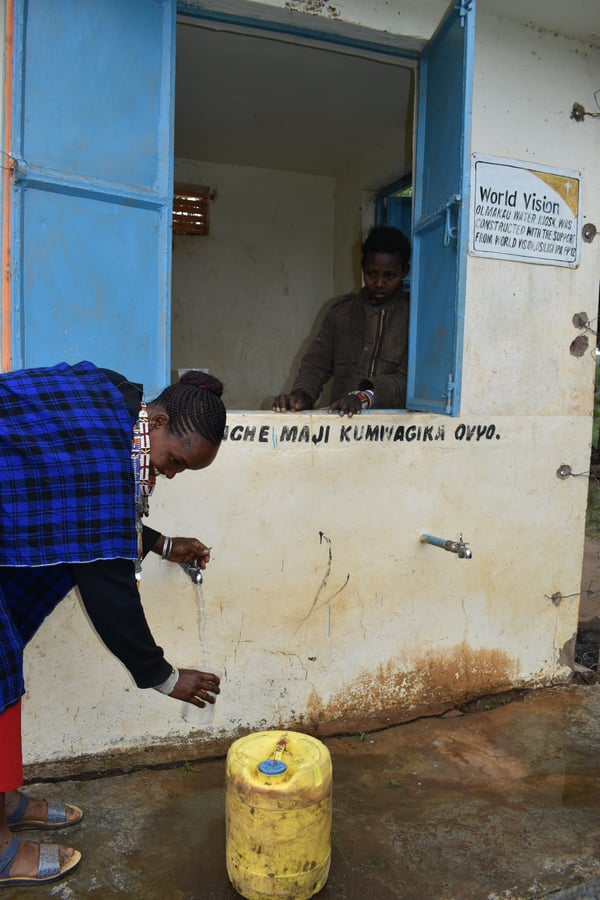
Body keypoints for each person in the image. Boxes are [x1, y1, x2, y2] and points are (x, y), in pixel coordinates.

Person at [0, 360, 227, 887]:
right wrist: (165, 677)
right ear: (162, 423)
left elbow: (72, 503)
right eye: (175, 462)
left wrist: (161, 544)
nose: (170, 474)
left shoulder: (112, 406)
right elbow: (109, 588)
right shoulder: (107, 453)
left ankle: (5, 800)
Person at [272, 226, 411, 417]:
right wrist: (301, 396)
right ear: (362, 268)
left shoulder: (414, 319)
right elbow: (316, 365)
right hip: (341, 427)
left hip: (394, 431)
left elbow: (406, 381)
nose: (379, 283)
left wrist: (362, 397)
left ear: (404, 271)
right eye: (371, 274)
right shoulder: (341, 313)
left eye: (390, 275)